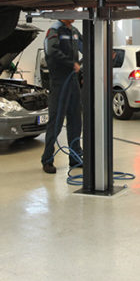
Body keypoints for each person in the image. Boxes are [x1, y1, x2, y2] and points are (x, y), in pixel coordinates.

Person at [40, 19, 82, 174]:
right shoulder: (54, 30)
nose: (74, 12)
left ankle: (75, 157)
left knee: (75, 121)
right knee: (56, 122)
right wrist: (71, 63)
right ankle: (47, 160)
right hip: (59, 82)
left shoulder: (74, 31)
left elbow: (86, 46)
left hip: (73, 81)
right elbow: (51, 52)